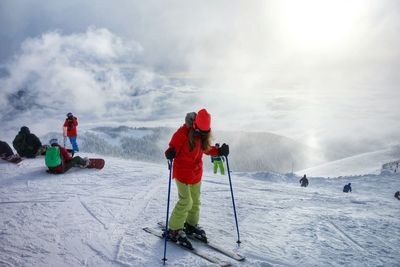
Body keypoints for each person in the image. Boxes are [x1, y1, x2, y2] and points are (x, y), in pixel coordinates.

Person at [164, 108, 229, 249]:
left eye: (205, 133)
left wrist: (219, 151)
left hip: (196, 174)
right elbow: (171, 147)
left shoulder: (203, 135)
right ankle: (174, 229)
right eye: (200, 132)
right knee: (186, 201)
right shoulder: (183, 133)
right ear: (195, 125)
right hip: (182, 173)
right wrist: (170, 152)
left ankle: (191, 225)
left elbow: (207, 149)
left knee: (195, 202)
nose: (202, 135)